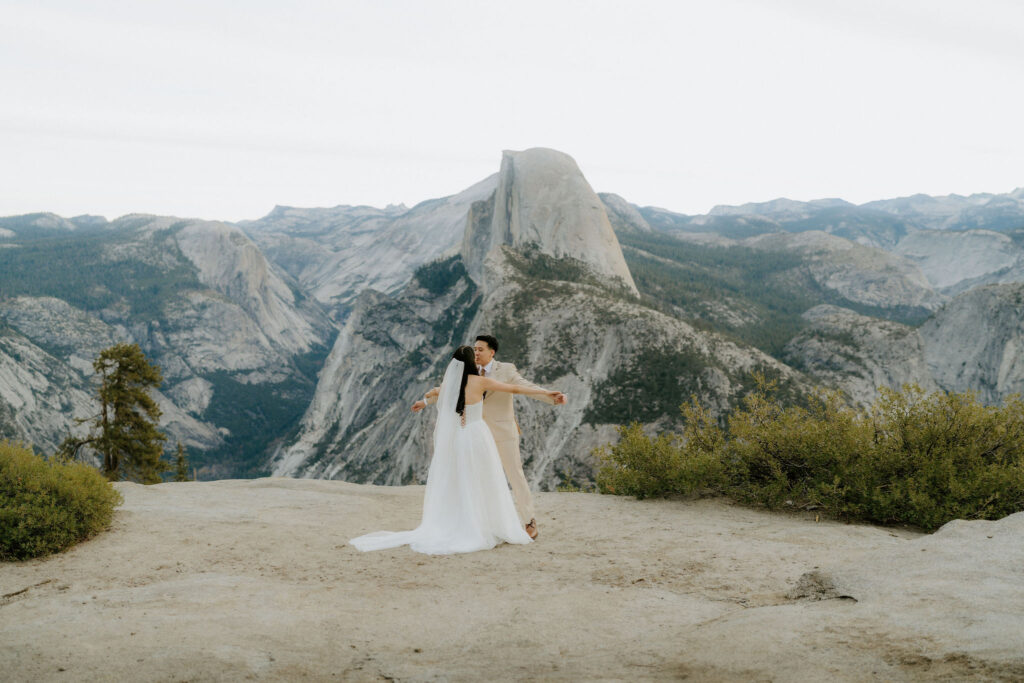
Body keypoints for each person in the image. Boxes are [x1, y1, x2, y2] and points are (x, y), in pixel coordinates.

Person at [350, 345, 562, 555]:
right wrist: (546, 392)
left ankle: (465, 523)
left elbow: (434, 392)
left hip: (460, 438)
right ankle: (490, 523)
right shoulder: (480, 382)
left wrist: (423, 401)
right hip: (479, 436)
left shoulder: (451, 386)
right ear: (471, 361)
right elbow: (515, 389)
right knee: (488, 479)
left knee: (463, 481)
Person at [412, 335, 566, 539]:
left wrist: (550, 396)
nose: (476, 352)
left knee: (515, 475)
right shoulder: (469, 371)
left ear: (492, 352)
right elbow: (449, 390)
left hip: (503, 432)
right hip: (475, 435)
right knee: (480, 479)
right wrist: (425, 401)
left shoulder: (507, 370)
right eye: (474, 349)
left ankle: (529, 520)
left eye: (480, 349)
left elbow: (521, 387)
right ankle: (484, 522)